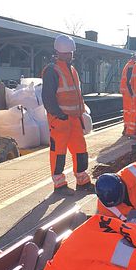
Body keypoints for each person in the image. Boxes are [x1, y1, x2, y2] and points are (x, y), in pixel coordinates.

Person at [41, 34, 92, 191]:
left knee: (80, 150)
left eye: (70, 53)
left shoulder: (72, 70)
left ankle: (82, 181)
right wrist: (59, 115)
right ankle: (59, 183)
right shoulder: (52, 70)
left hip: (74, 119)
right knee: (59, 152)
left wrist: (81, 113)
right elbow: (47, 97)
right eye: (67, 53)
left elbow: (76, 94)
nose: (69, 55)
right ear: (58, 52)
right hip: (60, 120)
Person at [120, 56, 136, 137]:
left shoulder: (127, 65)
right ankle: (130, 131)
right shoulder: (131, 66)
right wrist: (133, 94)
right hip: (129, 94)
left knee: (127, 112)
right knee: (131, 112)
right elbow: (129, 82)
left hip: (126, 93)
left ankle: (126, 128)